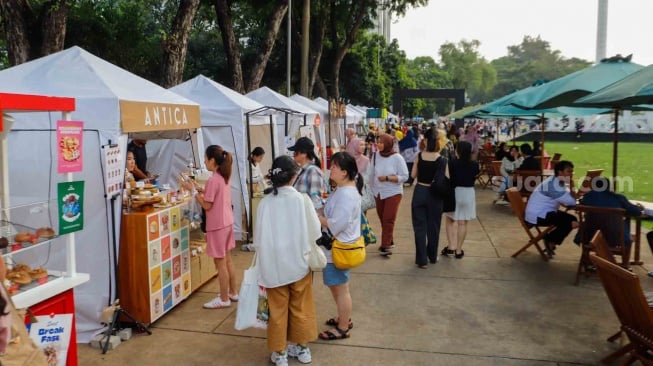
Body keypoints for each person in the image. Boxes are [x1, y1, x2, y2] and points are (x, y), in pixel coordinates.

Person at [255, 155, 320, 366]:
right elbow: (315, 231)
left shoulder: (265, 203)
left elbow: (259, 238)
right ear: (294, 176)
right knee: (301, 307)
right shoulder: (302, 200)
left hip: (273, 266)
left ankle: (280, 353)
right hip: (299, 263)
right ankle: (302, 349)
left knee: (277, 310)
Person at [184, 145, 238, 309]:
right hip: (227, 222)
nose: (205, 162)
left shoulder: (214, 179)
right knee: (227, 260)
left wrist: (194, 192)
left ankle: (223, 298)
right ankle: (233, 292)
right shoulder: (223, 176)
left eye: (206, 159)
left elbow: (207, 205)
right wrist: (199, 188)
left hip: (217, 225)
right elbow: (213, 194)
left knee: (220, 263)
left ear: (212, 160)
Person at [317, 152, 362, 341]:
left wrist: (314, 216)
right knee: (338, 287)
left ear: (344, 172)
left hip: (338, 249)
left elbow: (335, 224)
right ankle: (343, 318)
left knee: (341, 289)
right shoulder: (344, 190)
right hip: (338, 247)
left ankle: (343, 327)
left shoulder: (346, 195)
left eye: (334, 166)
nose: (330, 169)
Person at [575, 176, 643, 265]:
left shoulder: (588, 197)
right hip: (615, 237)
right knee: (628, 236)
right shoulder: (618, 198)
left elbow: (581, 205)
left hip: (590, 236)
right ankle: (624, 265)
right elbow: (636, 212)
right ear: (608, 186)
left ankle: (588, 261)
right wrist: (639, 207)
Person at [525, 160, 579, 256]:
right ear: (560, 172)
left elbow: (567, 198)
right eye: (569, 171)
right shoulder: (553, 185)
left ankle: (550, 239)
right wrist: (572, 186)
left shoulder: (556, 181)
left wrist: (571, 193)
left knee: (572, 219)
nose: (571, 174)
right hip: (539, 216)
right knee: (571, 222)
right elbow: (572, 201)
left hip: (543, 212)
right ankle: (550, 239)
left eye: (572, 171)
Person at [410, 127, 446, 268]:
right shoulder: (442, 159)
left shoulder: (419, 156)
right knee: (434, 227)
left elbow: (412, 175)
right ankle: (432, 256)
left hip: (420, 191)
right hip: (435, 195)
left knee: (420, 227)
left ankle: (421, 260)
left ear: (425, 140)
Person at [370, 133, 409, 256]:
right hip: (379, 192)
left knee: (388, 218)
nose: (379, 144)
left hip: (393, 192)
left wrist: (388, 178)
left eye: (381, 142)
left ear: (388, 144)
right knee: (382, 218)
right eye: (378, 142)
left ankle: (385, 246)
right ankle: (389, 240)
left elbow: (405, 176)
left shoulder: (397, 158)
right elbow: (370, 173)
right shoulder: (375, 156)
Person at [442, 141, 479, 259]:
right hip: (468, 193)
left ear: (457, 151)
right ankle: (458, 250)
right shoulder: (475, 164)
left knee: (450, 220)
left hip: (455, 192)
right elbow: (474, 177)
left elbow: (446, 178)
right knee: (463, 223)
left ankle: (451, 247)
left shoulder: (451, 163)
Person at [242, 147, 268, 252]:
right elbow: (249, 179)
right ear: (254, 156)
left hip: (256, 187)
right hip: (250, 188)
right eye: (260, 157)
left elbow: (260, 176)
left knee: (255, 211)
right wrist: (262, 178)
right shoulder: (248, 165)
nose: (261, 159)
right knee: (249, 211)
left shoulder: (257, 164)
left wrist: (265, 186)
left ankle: (253, 234)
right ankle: (247, 234)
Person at [290, 137, 326, 208]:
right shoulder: (302, 170)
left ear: (304, 154)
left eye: (295, 152)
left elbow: (315, 200)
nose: (293, 155)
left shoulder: (313, 171)